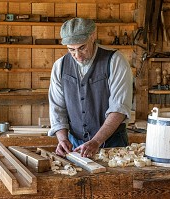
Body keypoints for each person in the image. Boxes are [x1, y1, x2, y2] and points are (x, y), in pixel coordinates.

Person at [48, 18, 133, 158]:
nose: (78, 56)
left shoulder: (115, 61)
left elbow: (119, 108)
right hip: (76, 145)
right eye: (71, 50)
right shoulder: (60, 66)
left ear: (93, 36)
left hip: (113, 145)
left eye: (82, 48)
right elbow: (57, 108)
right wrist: (62, 139)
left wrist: (96, 141)